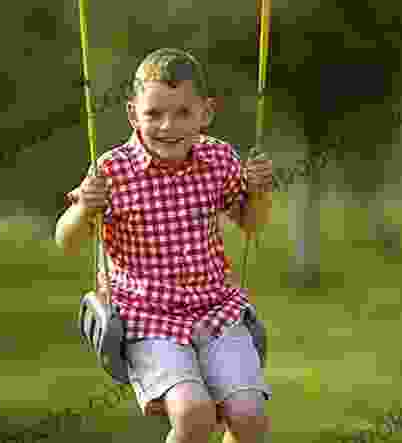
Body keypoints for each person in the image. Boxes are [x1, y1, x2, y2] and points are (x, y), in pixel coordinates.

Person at [55, 48, 276, 443]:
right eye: (154, 114)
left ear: (206, 113)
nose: (167, 126)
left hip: (216, 311)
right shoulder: (112, 170)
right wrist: (84, 208)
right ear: (132, 114)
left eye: (182, 113)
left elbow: (252, 224)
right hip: (148, 319)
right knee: (194, 417)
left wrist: (259, 193)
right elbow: (66, 240)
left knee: (249, 418)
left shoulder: (220, 159)